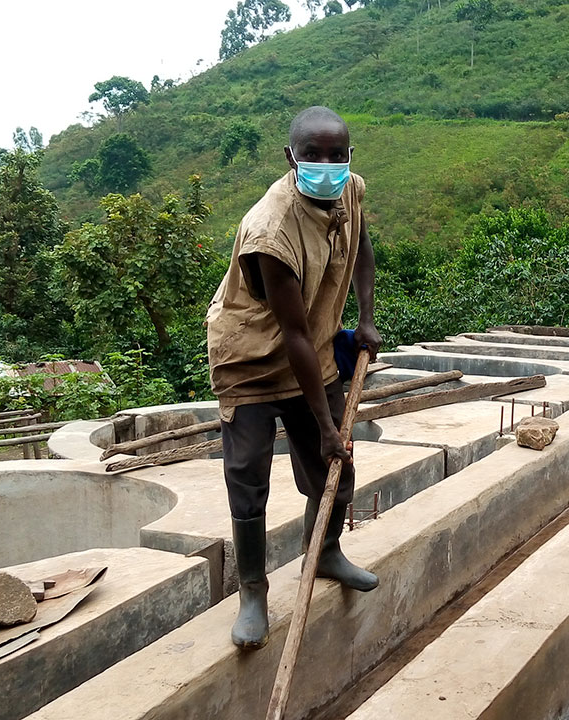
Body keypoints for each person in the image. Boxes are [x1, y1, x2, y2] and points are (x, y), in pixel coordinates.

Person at [206, 106, 381, 650]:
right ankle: (253, 593)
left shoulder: (348, 190)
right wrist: (327, 422)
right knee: (248, 478)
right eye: (313, 156)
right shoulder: (269, 230)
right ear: (291, 158)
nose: (326, 166)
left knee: (334, 469)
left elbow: (363, 255)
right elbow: (294, 334)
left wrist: (366, 318)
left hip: (316, 350)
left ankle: (325, 552)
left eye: (337, 155)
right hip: (253, 360)